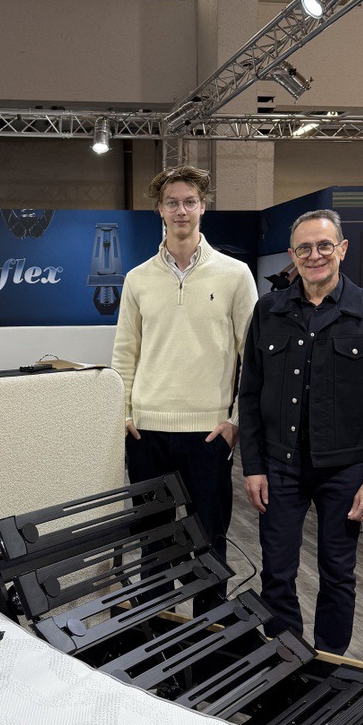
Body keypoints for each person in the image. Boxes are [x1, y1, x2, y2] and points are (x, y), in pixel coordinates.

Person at [238, 209, 363, 655]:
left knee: (337, 574)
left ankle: (330, 664)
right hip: (279, 466)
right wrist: (253, 466)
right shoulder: (269, 310)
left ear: (342, 249)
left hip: (345, 470)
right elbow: (249, 394)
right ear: (292, 255)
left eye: (324, 246)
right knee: (276, 573)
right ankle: (286, 659)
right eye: (305, 248)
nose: (315, 255)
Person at [111, 166, 257, 588]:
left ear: (203, 207)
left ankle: (210, 625)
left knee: (209, 542)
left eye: (189, 202)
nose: (181, 210)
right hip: (146, 433)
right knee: (152, 544)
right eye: (172, 203)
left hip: (208, 434)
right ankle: (155, 625)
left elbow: (253, 357)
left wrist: (236, 421)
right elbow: (125, 354)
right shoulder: (138, 279)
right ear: (159, 210)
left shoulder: (235, 275)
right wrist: (123, 415)